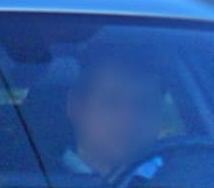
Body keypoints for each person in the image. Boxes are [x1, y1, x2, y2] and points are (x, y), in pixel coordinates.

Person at [61, 46, 165, 179]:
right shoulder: (36, 178)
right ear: (75, 106)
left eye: (145, 105)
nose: (129, 118)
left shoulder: (181, 179)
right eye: (112, 102)